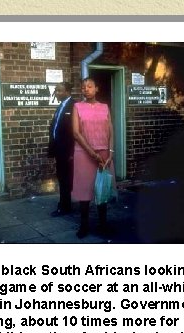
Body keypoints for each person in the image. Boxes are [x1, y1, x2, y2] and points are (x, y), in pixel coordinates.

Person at [72, 77, 116, 239]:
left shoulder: (104, 107)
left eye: (90, 86)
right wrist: (92, 153)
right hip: (84, 154)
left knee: (102, 190)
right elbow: (76, 133)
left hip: (104, 154)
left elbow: (110, 129)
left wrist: (111, 152)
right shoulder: (77, 107)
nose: (86, 89)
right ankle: (84, 226)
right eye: (83, 87)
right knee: (85, 192)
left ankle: (103, 224)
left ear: (97, 88)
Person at [48, 82, 75, 216]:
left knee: (65, 178)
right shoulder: (61, 105)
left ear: (67, 92)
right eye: (56, 91)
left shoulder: (74, 106)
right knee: (62, 177)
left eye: (59, 91)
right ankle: (64, 204)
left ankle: (64, 206)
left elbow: (74, 132)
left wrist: (72, 152)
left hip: (67, 151)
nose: (57, 93)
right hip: (59, 150)